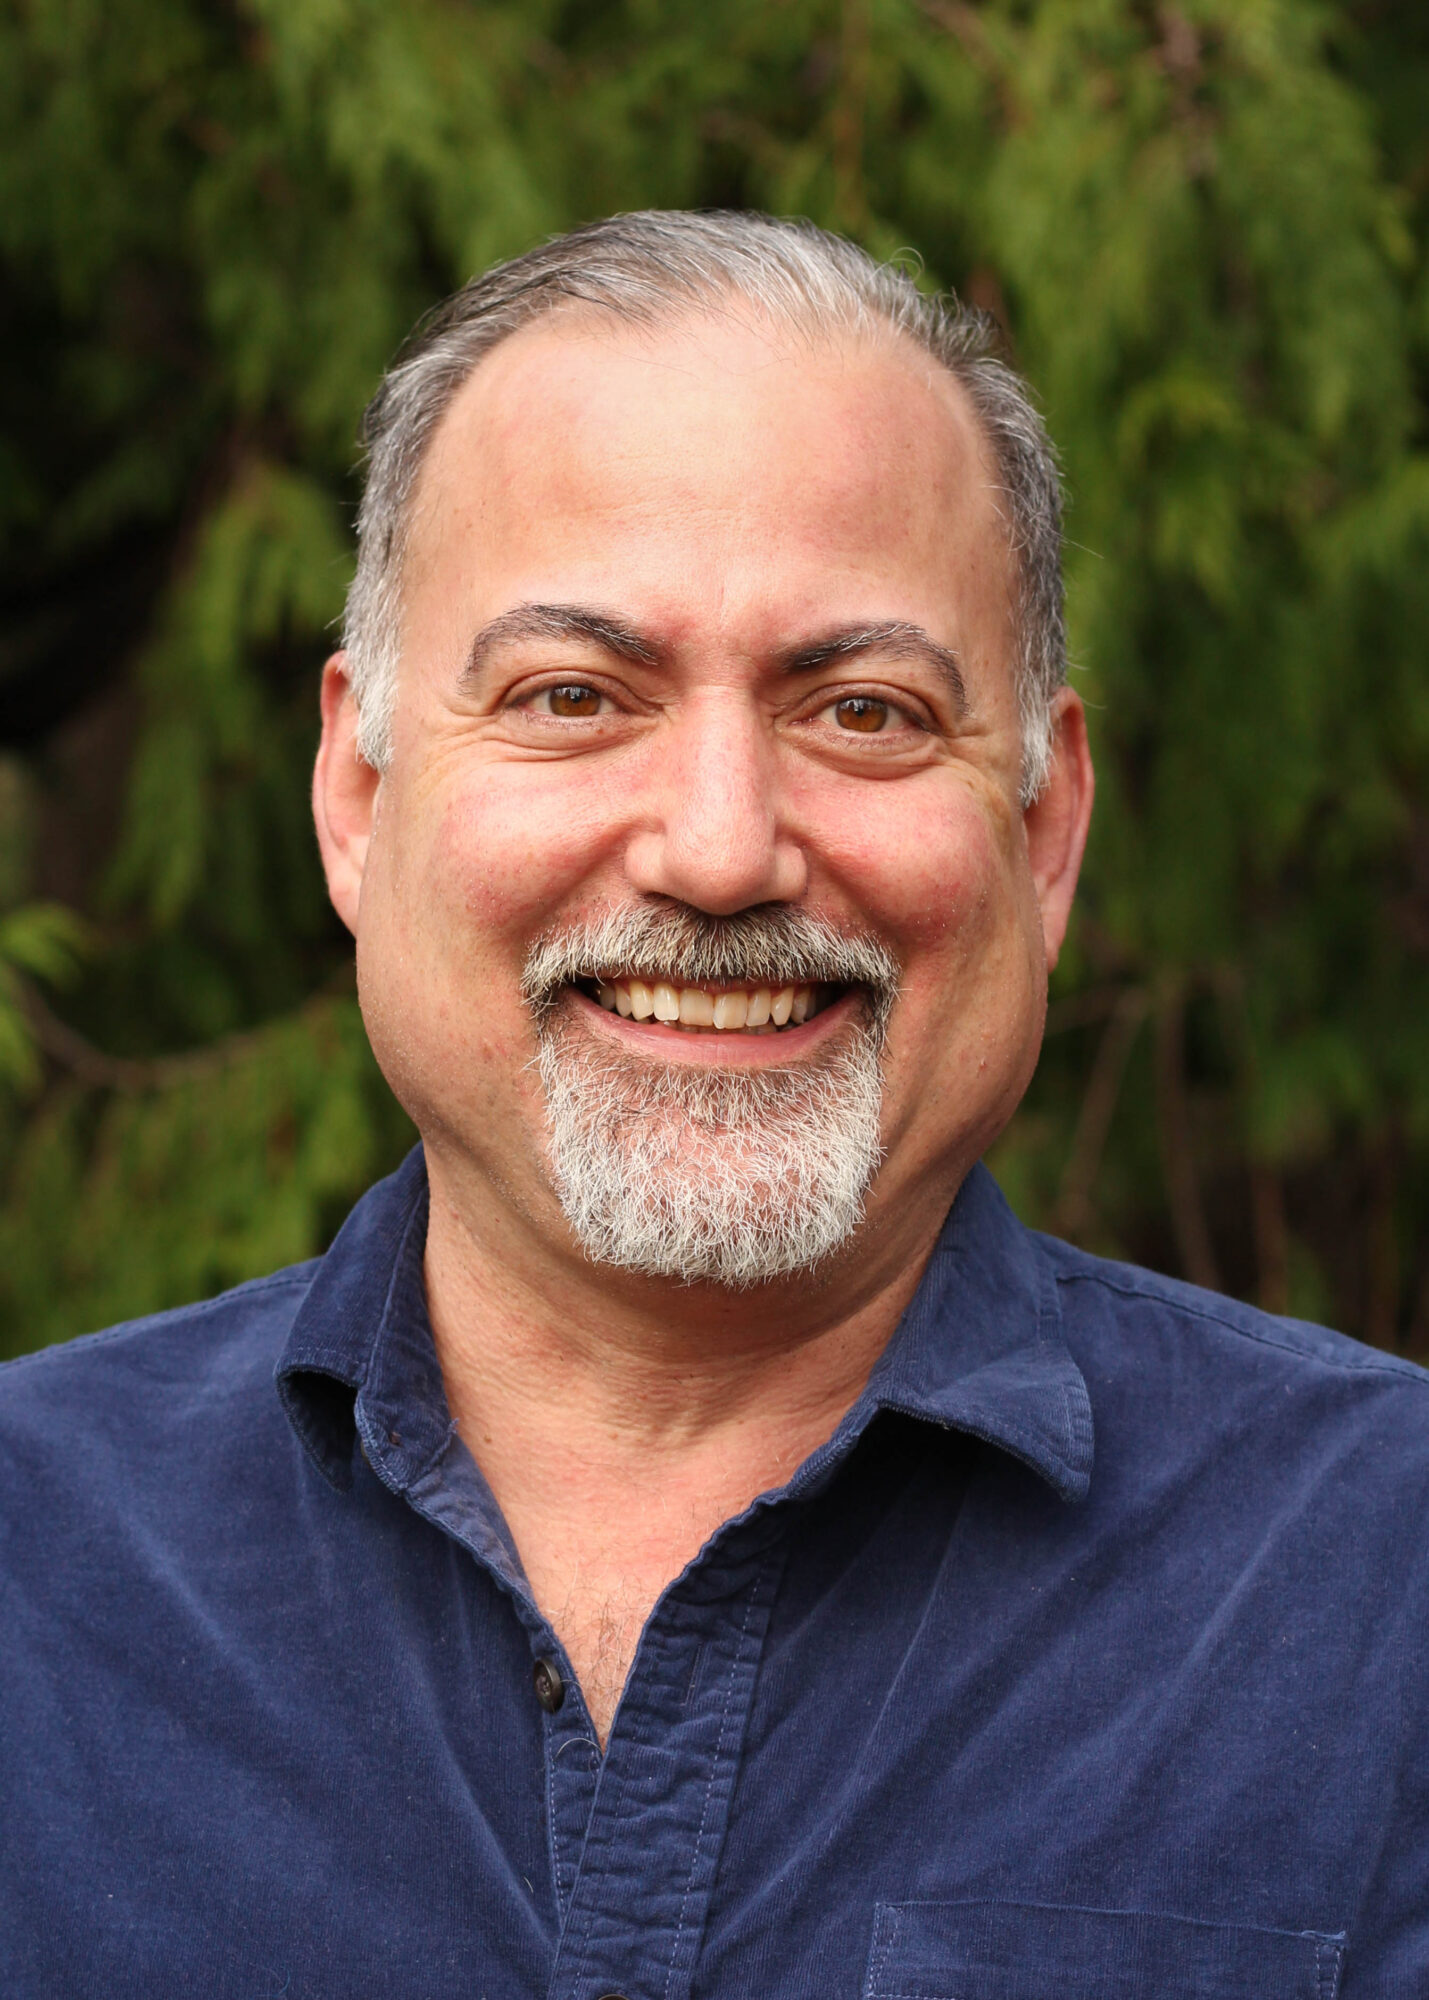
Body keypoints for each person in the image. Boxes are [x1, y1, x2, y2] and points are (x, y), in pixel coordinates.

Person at [1, 211, 1425, 1999]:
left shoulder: (1386, 1583)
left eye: (863, 710)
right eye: (574, 696)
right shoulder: (28, 1571)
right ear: (356, 798)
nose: (720, 848)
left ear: (1044, 837)